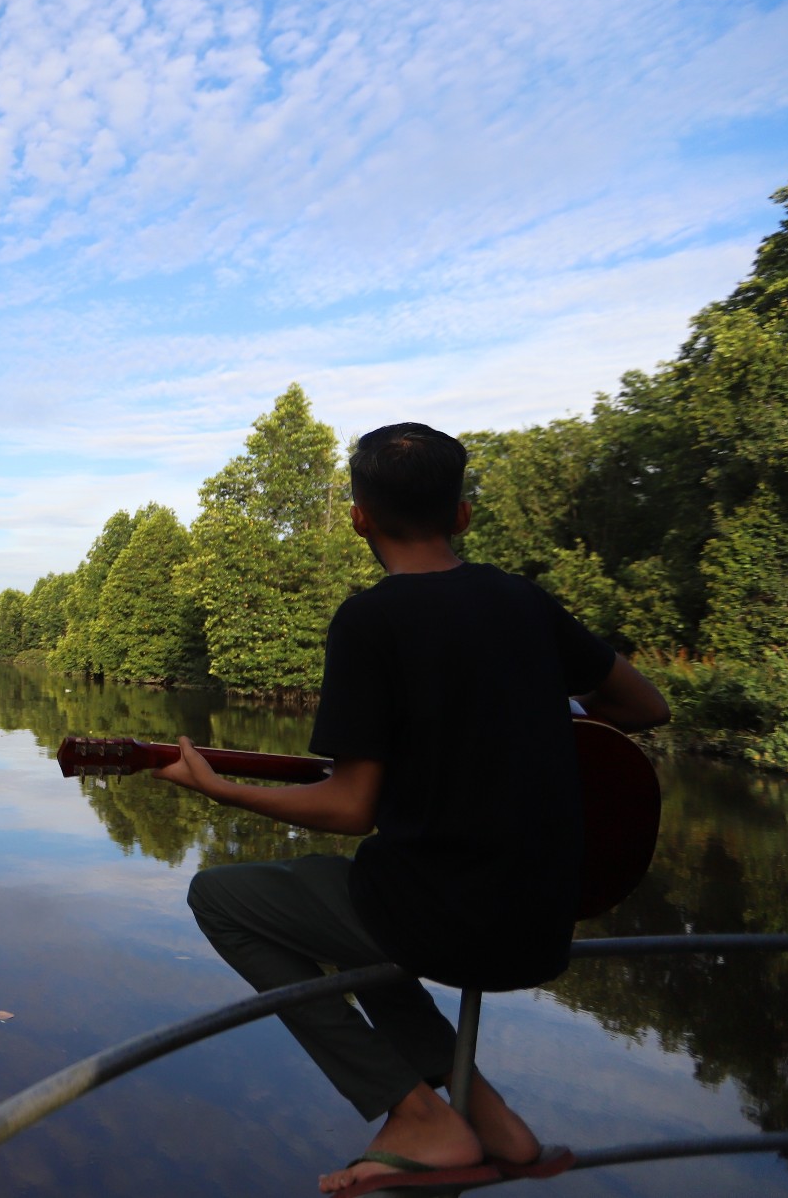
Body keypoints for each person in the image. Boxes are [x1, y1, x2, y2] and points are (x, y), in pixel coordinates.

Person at [155, 422, 669, 1196]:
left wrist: (218, 787)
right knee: (361, 893)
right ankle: (490, 1120)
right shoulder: (524, 601)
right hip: (543, 924)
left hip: (446, 923)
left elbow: (352, 804)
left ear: (359, 515)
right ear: (462, 513)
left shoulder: (371, 620)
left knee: (223, 897)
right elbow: (644, 705)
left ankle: (415, 1112)